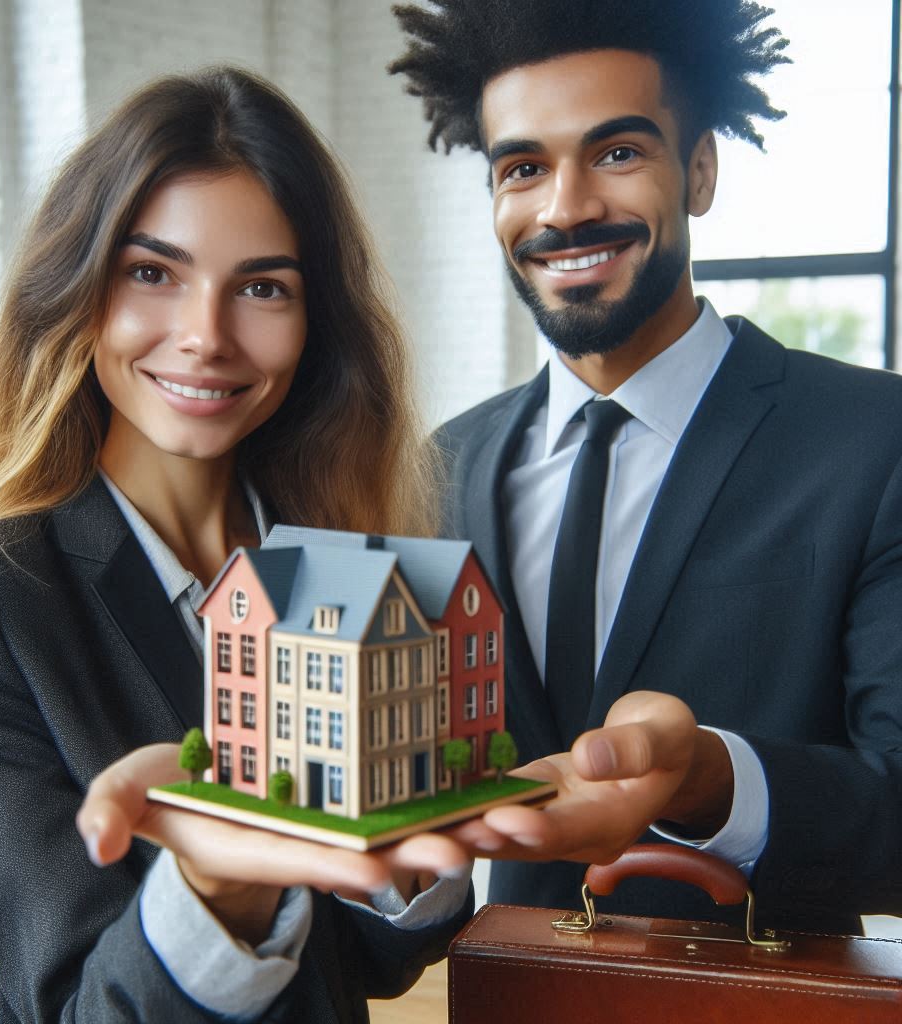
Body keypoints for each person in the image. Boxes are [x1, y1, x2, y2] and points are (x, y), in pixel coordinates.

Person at [0, 66, 473, 1022]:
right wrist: (215, 890)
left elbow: (371, 961)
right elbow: (74, 1005)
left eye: (263, 288)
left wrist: (413, 836)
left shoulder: (340, 572)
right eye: (153, 272)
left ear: (315, 325)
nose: (205, 336)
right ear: (81, 291)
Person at [389, 0, 902, 934]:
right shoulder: (443, 468)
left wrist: (711, 779)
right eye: (523, 168)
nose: (566, 208)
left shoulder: (875, 441)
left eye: (618, 152)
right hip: (508, 991)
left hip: (766, 994)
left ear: (699, 170)